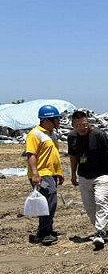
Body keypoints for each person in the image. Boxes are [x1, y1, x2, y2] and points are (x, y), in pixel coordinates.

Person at [67, 110, 108, 250]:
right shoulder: (72, 137)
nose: (82, 127)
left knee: (101, 201)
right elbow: (73, 157)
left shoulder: (99, 135)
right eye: (78, 125)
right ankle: (102, 231)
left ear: (88, 123)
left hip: (101, 174)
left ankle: (100, 232)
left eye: (84, 124)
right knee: (89, 207)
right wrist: (73, 174)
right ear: (73, 125)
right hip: (83, 176)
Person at [24, 105, 64, 245]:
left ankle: (48, 229)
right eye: (57, 119)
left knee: (49, 201)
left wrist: (59, 173)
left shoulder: (51, 134)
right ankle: (42, 233)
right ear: (48, 119)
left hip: (50, 173)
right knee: (49, 201)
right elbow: (31, 155)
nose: (59, 122)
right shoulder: (35, 134)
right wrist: (35, 174)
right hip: (41, 174)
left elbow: (53, 155)